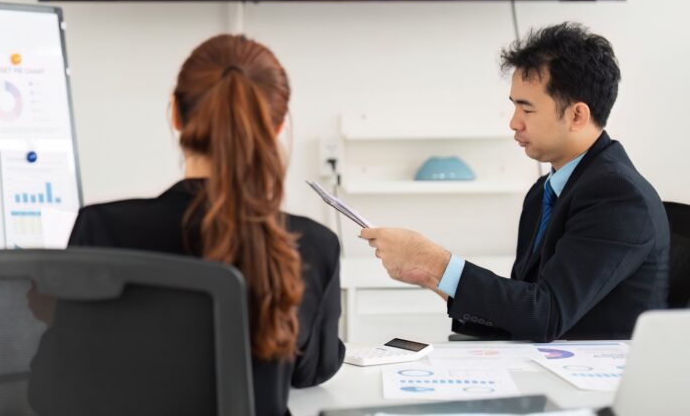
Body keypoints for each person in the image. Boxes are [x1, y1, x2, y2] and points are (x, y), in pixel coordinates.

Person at [62, 34, 345, 416]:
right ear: (277, 126)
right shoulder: (310, 243)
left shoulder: (102, 230)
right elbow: (312, 370)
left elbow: (55, 381)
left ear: (176, 114)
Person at [362, 23, 669, 342]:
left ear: (577, 115)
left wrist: (438, 263)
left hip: (603, 385)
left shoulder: (618, 197)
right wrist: (433, 277)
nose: (513, 122)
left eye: (527, 108)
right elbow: (522, 314)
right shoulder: (542, 194)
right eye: (514, 105)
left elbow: (546, 314)